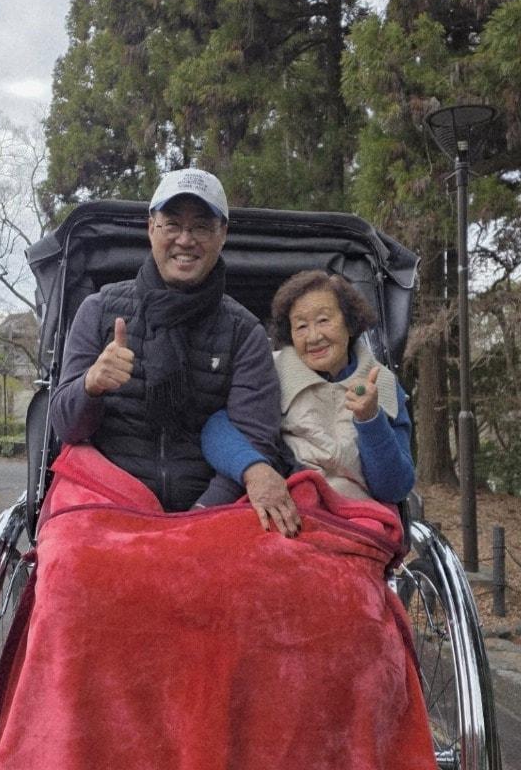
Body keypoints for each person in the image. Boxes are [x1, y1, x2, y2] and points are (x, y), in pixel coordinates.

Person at [49, 167, 301, 535]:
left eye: (201, 226)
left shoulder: (243, 332)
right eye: (172, 225)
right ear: (152, 228)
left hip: (213, 509)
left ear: (223, 235)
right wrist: (91, 385)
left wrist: (197, 517)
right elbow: (64, 425)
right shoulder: (99, 310)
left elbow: (253, 440)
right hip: (107, 501)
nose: (185, 239)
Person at [202, 269, 415, 503]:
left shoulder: (382, 384)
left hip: (360, 517)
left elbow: (394, 489)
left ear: (350, 323)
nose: (313, 337)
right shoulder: (268, 370)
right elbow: (216, 427)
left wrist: (370, 420)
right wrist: (252, 468)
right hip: (290, 509)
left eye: (323, 321)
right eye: (301, 326)